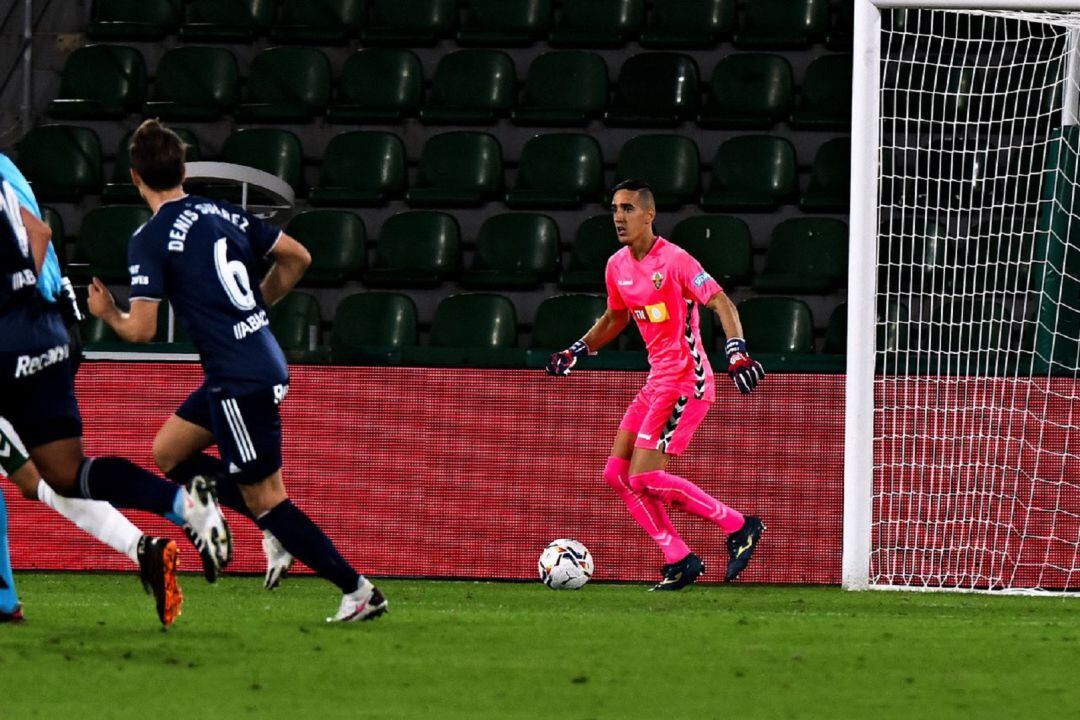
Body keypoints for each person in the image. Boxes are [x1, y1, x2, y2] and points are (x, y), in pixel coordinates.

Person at [89, 119, 386, 622]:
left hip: (239, 379)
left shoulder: (151, 236)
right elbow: (298, 256)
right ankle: (267, 526)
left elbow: (140, 330)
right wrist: (256, 309)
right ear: (183, 170)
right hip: (256, 358)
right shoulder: (223, 212)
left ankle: (357, 590)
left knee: (268, 498)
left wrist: (108, 315)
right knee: (169, 452)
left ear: (136, 177)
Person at [0, 152, 231, 626]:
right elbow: (39, 233)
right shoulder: (5, 167)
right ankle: (182, 508)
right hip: (48, 330)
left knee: (31, 475)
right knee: (58, 473)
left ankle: (6, 599)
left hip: (10, 337)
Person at [546, 179, 766, 591]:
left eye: (627, 209)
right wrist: (577, 349)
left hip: (686, 380)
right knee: (617, 474)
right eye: (614, 209)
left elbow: (721, 302)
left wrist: (736, 351)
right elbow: (615, 318)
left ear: (649, 214)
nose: (618, 217)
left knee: (644, 477)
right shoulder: (616, 266)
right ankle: (680, 558)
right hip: (656, 381)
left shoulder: (676, 260)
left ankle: (740, 525)